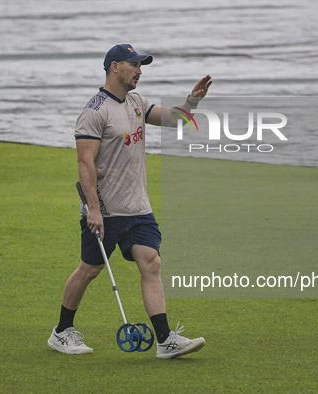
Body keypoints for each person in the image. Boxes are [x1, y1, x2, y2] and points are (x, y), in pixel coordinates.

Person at [47, 44, 212, 359]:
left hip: (139, 208)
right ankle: (61, 332)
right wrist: (93, 209)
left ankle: (164, 339)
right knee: (89, 270)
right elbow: (85, 164)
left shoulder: (137, 102)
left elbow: (172, 119)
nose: (139, 70)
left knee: (151, 262)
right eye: (133, 65)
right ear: (113, 67)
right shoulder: (95, 111)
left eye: (141, 66)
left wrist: (192, 101)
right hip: (105, 211)